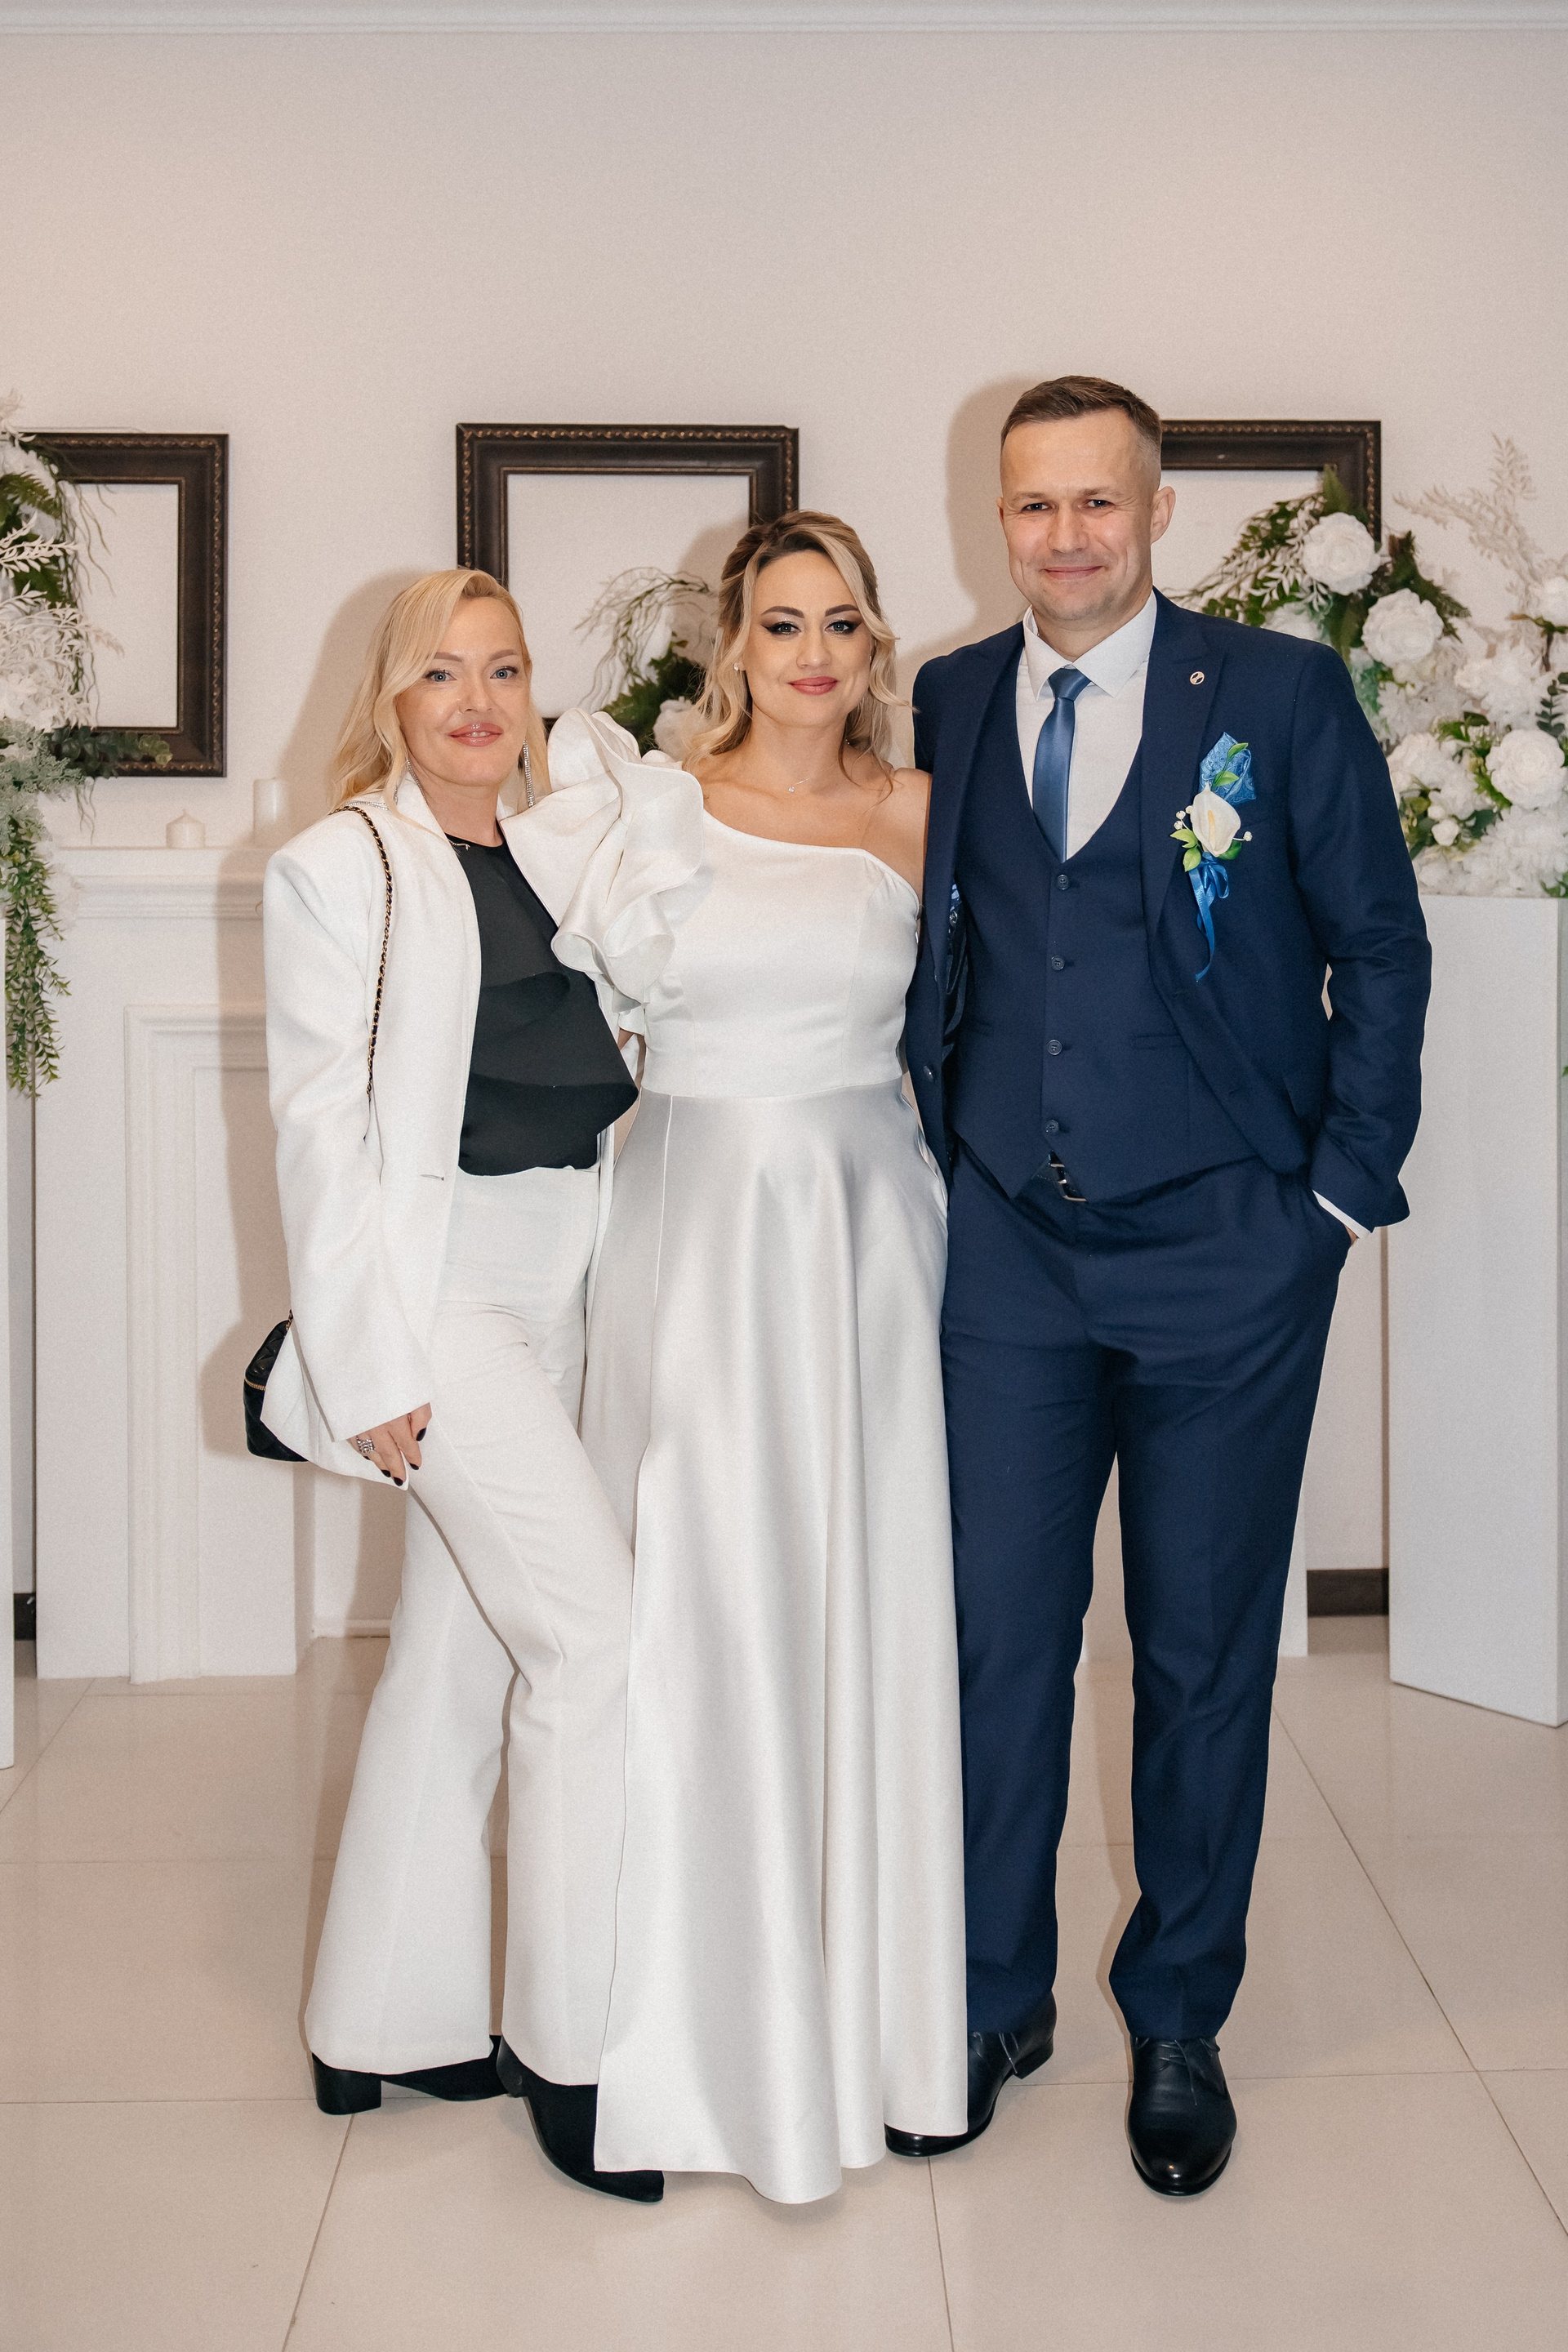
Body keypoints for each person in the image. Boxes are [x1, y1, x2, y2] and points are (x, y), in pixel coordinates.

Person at [899, 378, 1430, 2195]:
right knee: (997, 1644)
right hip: (1008, 1259)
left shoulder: (1275, 697)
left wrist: (1335, 1200)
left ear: (1157, 511)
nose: (1064, 537)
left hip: (1228, 1254)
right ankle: (992, 1995)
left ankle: (1182, 2009)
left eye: (1097, 503)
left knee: (1201, 1657)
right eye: (1032, 504)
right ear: (998, 516)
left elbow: (1380, 945)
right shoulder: (952, 697)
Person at [512, 512, 969, 2204]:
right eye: (783, 624)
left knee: (857, 1598)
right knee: (693, 1609)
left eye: (842, 623)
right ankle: (674, 2044)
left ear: (874, 643)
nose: (813, 655)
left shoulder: (923, 811)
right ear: (734, 641)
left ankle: (885, 2033)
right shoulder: (651, 807)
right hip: (695, 1229)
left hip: (864, 1232)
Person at [261, 568, 659, 2203]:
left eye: (504, 670)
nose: (480, 702)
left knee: (453, 1650)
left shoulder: (559, 850)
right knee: (593, 1638)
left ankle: (380, 2019)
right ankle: (575, 2049)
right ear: (392, 697)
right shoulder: (340, 864)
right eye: (443, 672)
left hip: (571, 1276)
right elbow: (318, 1128)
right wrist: (365, 1359)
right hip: (444, 1297)